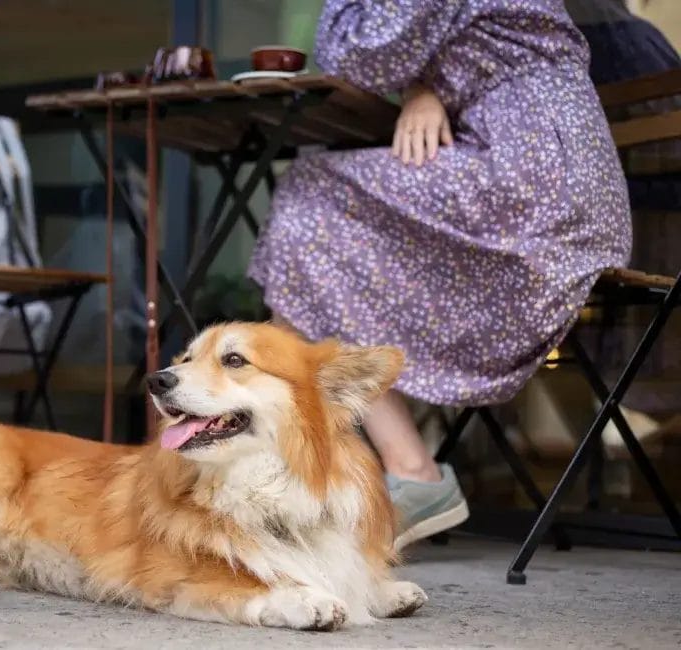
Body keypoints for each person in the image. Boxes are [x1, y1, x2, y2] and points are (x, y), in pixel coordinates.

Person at [249, 0, 632, 550]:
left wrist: (419, 84)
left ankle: (378, 472)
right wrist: (423, 90)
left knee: (313, 204)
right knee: (318, 244)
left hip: (536, 179)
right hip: (534, 167)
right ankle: (341, 475)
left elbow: (354, 54)